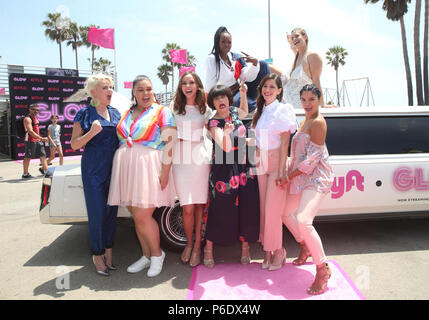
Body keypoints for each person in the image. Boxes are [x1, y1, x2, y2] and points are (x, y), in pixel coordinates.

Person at [107, 75, 177, 278]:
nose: (146, 93)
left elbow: (170, 142)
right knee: (135, 215)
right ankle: (145, 256)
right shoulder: (127, 113)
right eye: (140, 90)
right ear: (134, 93)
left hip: (149, 167)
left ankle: (157, 255)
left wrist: (165, 171)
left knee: (143, 215)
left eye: (149, 89)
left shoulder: (162, 112)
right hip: (128, 169)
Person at [279, 84, 334, 295]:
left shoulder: (318, 122)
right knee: (285, 214)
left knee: (303, 220)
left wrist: (288, 176)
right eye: (303, 99)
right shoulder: (304, 120)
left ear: (319, 99)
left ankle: (322, 269)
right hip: (300, 176)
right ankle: (304, 245)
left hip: (317, 177)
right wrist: (287, 172)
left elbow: (312, 160)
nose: (307, 103)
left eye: (312, 99)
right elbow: (299, 154)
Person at [203, 82, 260, 268]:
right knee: (220, 208)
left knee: (246, 207)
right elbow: (225, 147)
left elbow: (244, 111)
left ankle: (245, 249)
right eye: (216, 98)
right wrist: (228, 134)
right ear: (212, 102)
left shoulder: (234, 112)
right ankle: (208, 249)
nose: (220, 100)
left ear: (228, 98)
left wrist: (243, 94)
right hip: (224, 169)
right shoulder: (213, 123)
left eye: (223, 96)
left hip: (244, 166)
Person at [71, 74, 121, 276]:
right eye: (104, 87)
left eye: (110, 87)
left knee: (111, 212)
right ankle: (97, 254)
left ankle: (109, 252)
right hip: (93, 170)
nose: (109, 90)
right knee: (97, 213)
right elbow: (74, 144)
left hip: (115, 169)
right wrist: (91, 133)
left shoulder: (116, 113)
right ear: (93, 92)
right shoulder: (84, 114)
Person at [252, 74, 297, 271]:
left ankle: (279, 251)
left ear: (279, 90)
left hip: (277, 163)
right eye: (264, 86)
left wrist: (281, 172)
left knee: (273, 211)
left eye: (272, 86)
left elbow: (285, 141)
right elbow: (261, 139)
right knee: (263, 209)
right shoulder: (261, 110)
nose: (267, 90)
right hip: (261, 161)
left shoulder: (283, 109)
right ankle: (267, 251)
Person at [170, 71, 213, 267]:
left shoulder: (206, 109)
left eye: (192, 82)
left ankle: (197, 248)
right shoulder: (174, 108)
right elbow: (167, 133)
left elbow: (216, 129)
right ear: (181, 87)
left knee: (199, 207)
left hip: (200, 159)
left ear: (197, 86)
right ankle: (188, 243)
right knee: (186, 208)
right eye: (184, 83)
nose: (188, 86)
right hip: (180, 161)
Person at [205, 26, 274, 114]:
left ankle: (269, 100)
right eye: (223, 42)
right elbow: (210, 87)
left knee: (263, 64)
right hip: (227, 98)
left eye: (229, 42)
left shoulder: (236, 57)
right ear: (217, 42)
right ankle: (258, 106)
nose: (226, 45)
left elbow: (247, 77)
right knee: (245, 104)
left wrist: (254, 64)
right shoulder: (212, 59)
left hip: (242, 90)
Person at [274, 28, 335, 109]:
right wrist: (291, 42)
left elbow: (316, 81)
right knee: (265, 66)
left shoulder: (312, 56)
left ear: (305, 36)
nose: (294, 39)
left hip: (298, 107)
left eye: (296, 36)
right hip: (284, 101)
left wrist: (322, 105)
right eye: (292, 38)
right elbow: (295, 50)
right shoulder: (298, 57)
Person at [22, 103, 49, 178]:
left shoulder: (35, 118)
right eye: (34, 109)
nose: (36, 111)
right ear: (30, 109)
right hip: (30, 140)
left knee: (43, 155)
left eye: (37, 110)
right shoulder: (27, 119)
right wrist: (41, 138)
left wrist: (39, 138)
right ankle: (25, 174)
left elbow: (36, 130)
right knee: (28, 157)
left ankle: (45, 171)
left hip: (37, 140)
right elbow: (30, 131)